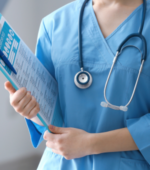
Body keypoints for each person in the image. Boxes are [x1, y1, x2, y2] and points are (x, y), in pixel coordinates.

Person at [4, 0, 150, 169]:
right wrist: (28, 108)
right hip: (60, 163)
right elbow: (49, 114)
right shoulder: (54, 23)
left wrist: (91, 144)